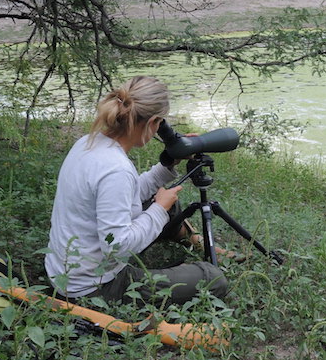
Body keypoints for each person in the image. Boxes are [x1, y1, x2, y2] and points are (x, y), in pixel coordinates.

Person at [44, 76, 228, 308]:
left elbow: (121, 195)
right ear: (153, 122)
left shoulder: (88, 143)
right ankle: (180, 271)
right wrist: (159, 209)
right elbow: (116, 247)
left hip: (63, 271)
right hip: (92, 287)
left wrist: (168, 164)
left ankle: (190, 239)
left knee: (162, 201)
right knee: (214, 279)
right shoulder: (116, 169)